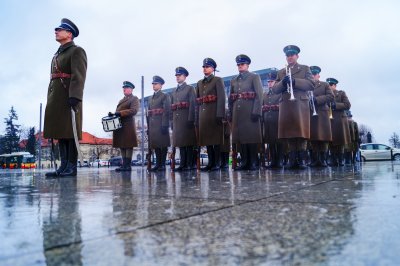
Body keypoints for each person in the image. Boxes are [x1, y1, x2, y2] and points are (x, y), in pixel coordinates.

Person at [44, 18, 87, 178]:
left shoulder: (77, 51)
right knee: (60, 132)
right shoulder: (58, 54)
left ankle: (71, 166)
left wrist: (75, 96)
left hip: (69, 95)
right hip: (57, 97)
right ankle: (63, 166)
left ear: (69, 34)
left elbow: (79, 75)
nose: (56, 31)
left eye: (59, 29)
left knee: (70, 132)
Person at [272, 45, 315, 169]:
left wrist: (295, 81)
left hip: (300, 103)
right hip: (286, 104)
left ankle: (302, 159)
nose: (289, 57)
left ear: (297, 56)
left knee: (301, 132)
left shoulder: (305, 68)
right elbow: (275, 89)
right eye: (288, 55)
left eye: (292, 55)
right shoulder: (281, 72)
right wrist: (283, 82)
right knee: (289, 132)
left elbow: (311, 84)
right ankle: (292, 159)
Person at [229, 54, 263, 171]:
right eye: (238, 64)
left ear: (247, 65)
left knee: (251, 138)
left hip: (250, 112)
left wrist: (256, 111)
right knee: (241, 139)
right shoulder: (234, 80)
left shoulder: (254, 77)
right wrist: (230, 113)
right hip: (238, 113)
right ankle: (244, 162)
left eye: (242, 64)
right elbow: (231, 98)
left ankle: (253, 162)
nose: (240, 66)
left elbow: (259, 95)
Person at [195, 58, 226, 171]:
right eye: (203, 67)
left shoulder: (217, 80)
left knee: (216, 141)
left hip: (214, 115)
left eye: (207, 67)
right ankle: (210, 163)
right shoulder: (199, 83)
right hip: (203, 116)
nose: (205, 69)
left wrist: (220, 114)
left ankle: (216, 163)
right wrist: (197, 117)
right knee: (207, 141)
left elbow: (222, 98)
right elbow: (197, 102)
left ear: (213, 68)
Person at [170, 67, 197, 171]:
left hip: (186, 119)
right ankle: (182, 164)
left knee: (188, 143)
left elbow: (193, 104)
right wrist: (171, 121)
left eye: (179, 75)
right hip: (177, 121)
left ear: (185, 77)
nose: (177, 77)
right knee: (181, 143)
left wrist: (191, 119)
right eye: (176, 76)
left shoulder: (190, 89)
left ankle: (189, 164)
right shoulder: (173, 91)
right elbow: (172, 108)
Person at [109, 81, 139, 171]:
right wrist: (113, 114)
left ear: (131, 89)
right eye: (123, 88)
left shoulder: (134, 99)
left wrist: (120, 113)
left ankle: (127, 165)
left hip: (128, 125)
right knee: (122, 145)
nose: (124, 89)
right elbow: (118, 112)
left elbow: (134, 110)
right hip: (120, 125)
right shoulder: (121, 100)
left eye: (126, 88)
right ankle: (124, 165)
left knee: (128, 145)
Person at [309, 66, 334, 167]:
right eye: (312, 74)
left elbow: (331, 96)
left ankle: (323, 160)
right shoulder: (308, 85)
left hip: (322, 113)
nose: (313, 76)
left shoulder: (324, 85)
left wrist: (317, 99)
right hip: (311, 113)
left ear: (318, 75)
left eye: (315, 74)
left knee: (323, 137)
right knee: (313, 137)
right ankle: (315, 160)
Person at [148, 76, 171, 171]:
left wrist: (165, 124)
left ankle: (162, 164)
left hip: (161, 123)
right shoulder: (150, 98)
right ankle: (158, 164)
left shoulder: (165, 96)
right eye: (153, 84)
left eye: (156, 84)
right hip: (153, 126)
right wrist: (148, 127)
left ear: (161, 85)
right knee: (156, 145)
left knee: (163, 145)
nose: (154, 85)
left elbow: (167, 110)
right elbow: (148, 113)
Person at [326, 77, 351, 166]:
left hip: (340, 120)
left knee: (340, 141)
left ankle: (340, 160)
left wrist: (335, 105)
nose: (329, 87)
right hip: (330, 120)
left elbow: (347, 105)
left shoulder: (341, 93)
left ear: (334, 85)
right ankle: (333, 160)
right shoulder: (327, 95)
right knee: (331, 141)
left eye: (330, 85)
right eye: (328, 85)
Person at [262, 68, 283, 168]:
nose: (270, 83)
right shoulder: (265, 95)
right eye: (268, 82)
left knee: (279, 143)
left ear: (276, 82)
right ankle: (273, 161)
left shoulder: (280, 93)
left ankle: (279, 161)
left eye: (272, 81)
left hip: (277, 121)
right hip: (267, 122)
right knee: (270, 142)